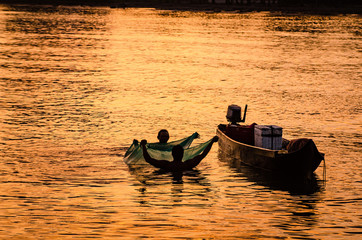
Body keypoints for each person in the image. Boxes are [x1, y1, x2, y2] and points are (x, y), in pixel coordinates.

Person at [140, 136, 219, 172]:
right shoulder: (188, 165)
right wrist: (211, 142)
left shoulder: (166, 165)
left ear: (172, 154)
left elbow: (148, 159)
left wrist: (143, 146)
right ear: (182, 154)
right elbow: (203, 154)